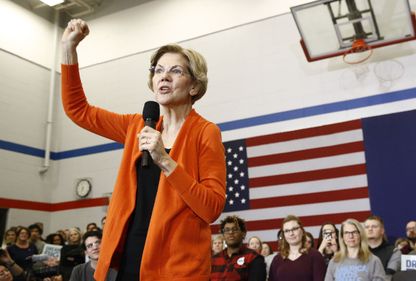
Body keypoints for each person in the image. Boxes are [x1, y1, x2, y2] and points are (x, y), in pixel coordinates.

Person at [60, 19, 226, 281]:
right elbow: (78, 110)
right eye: (158, 70)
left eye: (175, 71)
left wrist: (165, 160)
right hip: (130, 262)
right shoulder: (137, 126)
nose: (164, 76)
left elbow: (211, 208)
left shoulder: (206, 132)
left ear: (194, 86)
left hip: (177, 269)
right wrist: (69, 50)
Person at [268, 215, 326, 281]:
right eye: (287, 231)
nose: (291, 233)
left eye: (294, 229)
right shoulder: (277, 259)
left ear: (302, 231)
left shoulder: (315, 256)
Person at [210, 216, 265, 281]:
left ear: (243, 233)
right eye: (227, 230)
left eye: (235, 229)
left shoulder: (254, 258)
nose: (230, 232)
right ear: (223, 235)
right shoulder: (213, 260)